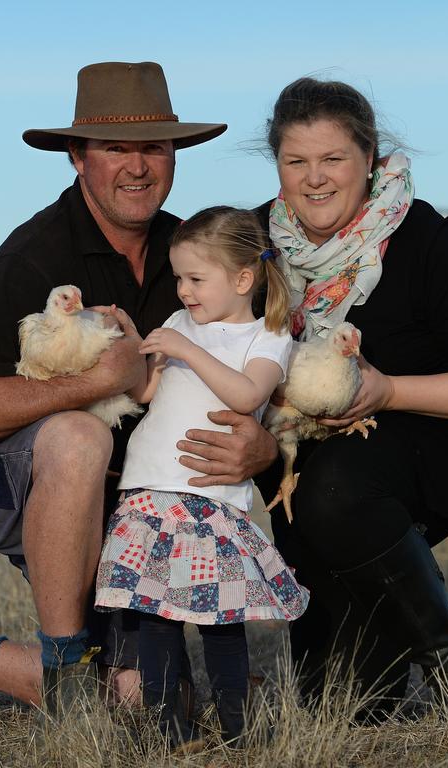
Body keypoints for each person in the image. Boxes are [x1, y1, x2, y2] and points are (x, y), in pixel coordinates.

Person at [0, 62, 277, 742]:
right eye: (116, 149)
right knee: (81, 436)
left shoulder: (190, 255)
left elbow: (252, 362)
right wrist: (97, 380)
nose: (138, 167)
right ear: (78, 157)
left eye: (155, 148)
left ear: (174, 156)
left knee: (150, 697)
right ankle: (66, 668)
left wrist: (264, 445)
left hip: (124, 495)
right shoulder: (34, 254)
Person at [252, 77, 448, 719]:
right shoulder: (256, 246)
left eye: (333, 159)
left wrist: (386, 390)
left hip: (429, 440)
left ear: (370, 158)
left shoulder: (425, 240)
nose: (314, 178)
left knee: (335, 490)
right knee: (345, 708)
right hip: (304, 468)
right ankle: (375, 614)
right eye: (296, 161)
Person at [94, 207, 308, 747]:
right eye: (179, 279)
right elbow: (146, 393)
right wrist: (129, 338)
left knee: (219, 623)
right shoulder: (174, 324)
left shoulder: (267, 338)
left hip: (207, 503)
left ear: (242, 279)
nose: (184, 291)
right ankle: (171, 731)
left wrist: (188, 347)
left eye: (196, 279)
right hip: (149, 493)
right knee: (156, 621)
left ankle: (239, 729)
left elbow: (247, 395)